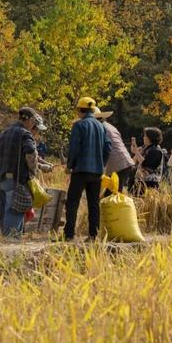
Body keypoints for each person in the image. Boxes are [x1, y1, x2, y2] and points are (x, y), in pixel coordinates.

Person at [64, 97, 112, 241]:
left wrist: (69, 166)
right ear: (92, 110)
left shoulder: (79, 125)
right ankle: (93, 235)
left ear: (79, 110)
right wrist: (101, 163)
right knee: (93, 204)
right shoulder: (101, 126)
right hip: (96, 171)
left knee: (72, 202)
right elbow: (108, 148)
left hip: (80, 170)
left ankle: (69, 234)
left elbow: (74, 148)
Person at [0, 107, 39, 237]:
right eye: (33, 121)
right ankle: (11, 241)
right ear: (29, 119)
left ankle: (5, 239)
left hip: (0, 177)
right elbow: (30, 151)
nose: (33, 124)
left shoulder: (4, 133)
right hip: (15, 178)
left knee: (4, 210)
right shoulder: (25, 134)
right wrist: (33, 169)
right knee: (15, 210)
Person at [95, 109, 134, 192]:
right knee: (112, 194)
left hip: (117, 165)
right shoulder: (109, 126)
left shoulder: (99, 128)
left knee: (114, 195)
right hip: (123, 161)